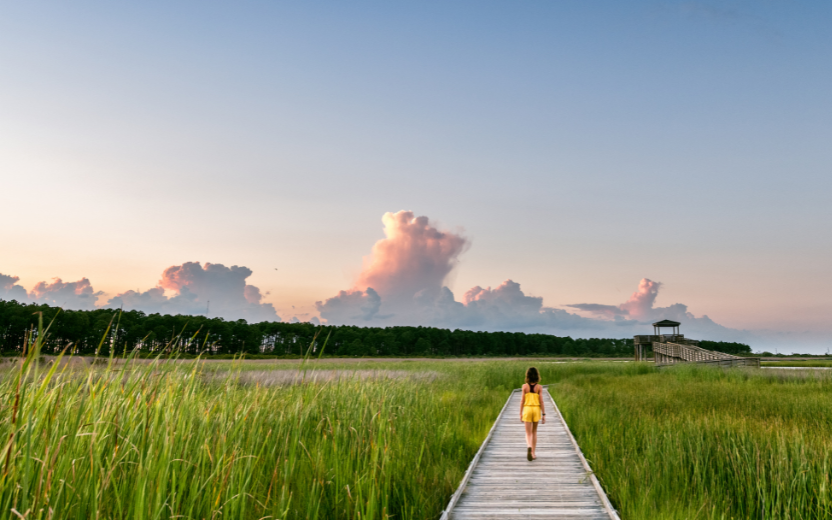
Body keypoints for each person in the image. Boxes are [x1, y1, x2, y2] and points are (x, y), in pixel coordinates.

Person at [520, 366, 545, 461]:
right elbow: (541, 401)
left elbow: (522, 401)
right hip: (536, 410)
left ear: (528, 376)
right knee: (534, 432)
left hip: (527, 409)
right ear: (537, 376)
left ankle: (529, 446)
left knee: (528, 432)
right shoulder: (539, 387)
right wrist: (544, 414)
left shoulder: (524, 387)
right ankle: (533, 453)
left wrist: (520, 413)